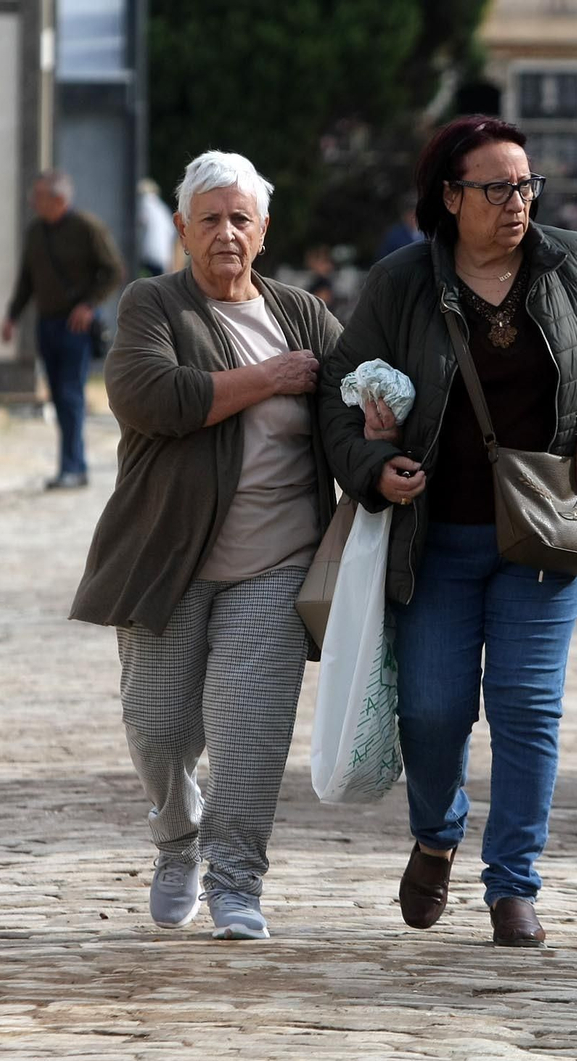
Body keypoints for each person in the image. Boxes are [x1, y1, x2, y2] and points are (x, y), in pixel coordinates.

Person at [318, 116, 577, 948]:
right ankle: (437, 832)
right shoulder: (401, 284)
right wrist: (372, 465)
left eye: (527, 185)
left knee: (528, 707)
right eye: (497, 188)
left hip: (546, 531)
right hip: (436, 539)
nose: (518, 203)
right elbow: (338, 399)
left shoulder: (569, 261)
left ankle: (514, 884)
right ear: (451, 196)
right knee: (431, 711)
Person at [69, 151, 342, 940]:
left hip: (277, 561)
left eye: (241, 218)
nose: (227, 232)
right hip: (167, 557)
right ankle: (176, 839)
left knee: (249, 734)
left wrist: (374, 417)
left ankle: (235, 882)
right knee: (158, 728)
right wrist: (270, 378)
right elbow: (153, 397)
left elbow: (351, 396)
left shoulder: (302, 315)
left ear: (263, 230)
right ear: (183, 228)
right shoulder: (155, 304)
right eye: (211, 219)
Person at [0, 170, 126, 489]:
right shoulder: (35, 232)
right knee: (58, 396)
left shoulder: (86, 228)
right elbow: (27, 279)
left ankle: (73, 467)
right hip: (47, 323)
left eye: (39, 196)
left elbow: (113, 271)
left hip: (75, 327)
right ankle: (71, 465)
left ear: (59, 199)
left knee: (70, 394)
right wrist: (12, 317)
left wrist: (89, 305)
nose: (32, 201)